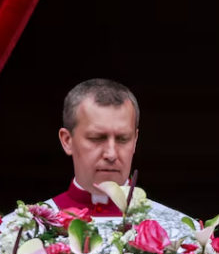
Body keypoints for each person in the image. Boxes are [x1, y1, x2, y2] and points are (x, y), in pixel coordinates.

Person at [1, 79, 194, 242]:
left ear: (135, 141)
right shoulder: (16, 234)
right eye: (97, 138)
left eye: (122, 139)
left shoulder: (182, 233)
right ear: (67, 141)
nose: (111, 154)